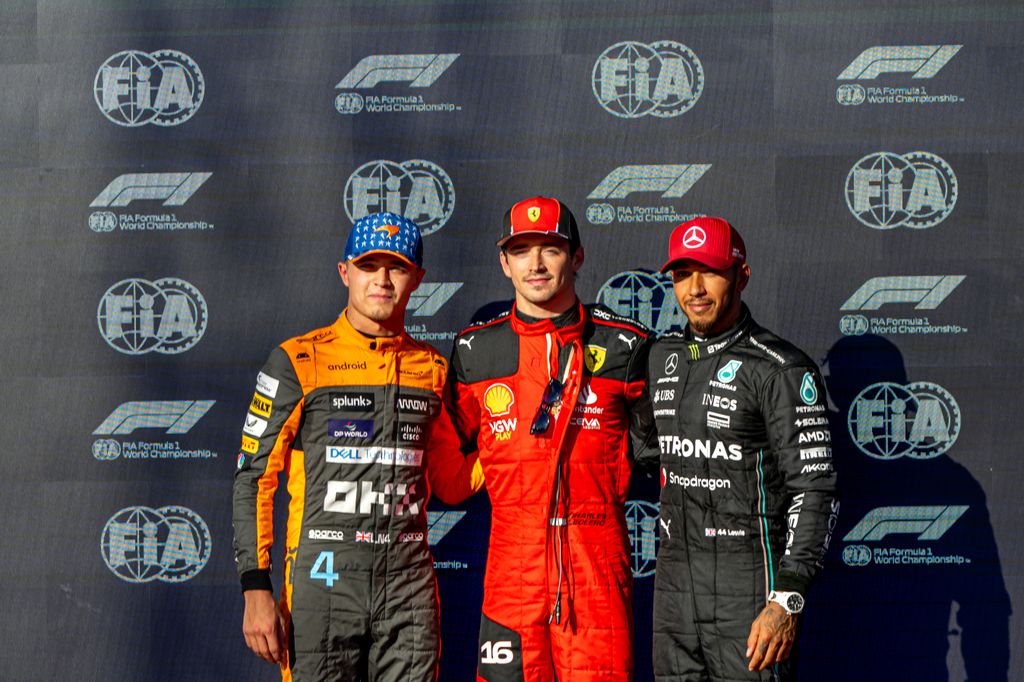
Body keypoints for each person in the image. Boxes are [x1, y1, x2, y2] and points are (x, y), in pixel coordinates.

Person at [232, 212, 483, 682]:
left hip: (409, 591)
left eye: (398, 268)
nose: (382, 281)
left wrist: (509, 448)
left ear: (418, 279)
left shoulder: (431, 368)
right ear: (345, 272)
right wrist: (255, 587)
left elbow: (450, 481)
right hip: (322, 584)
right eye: (369, 266)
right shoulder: (297, 360)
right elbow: (253, 478)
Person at [445, 196, 657, 682]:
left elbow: (661, 454)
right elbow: (444, 458)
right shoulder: (475, 350)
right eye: (521, 250)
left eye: (551, 249)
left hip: (595, 563)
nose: (536, 264)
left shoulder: (623, 345)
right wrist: (492, 465)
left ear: (577, 257)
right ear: (504, 262)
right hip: (511, 569)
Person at [642, 216, 840, 681]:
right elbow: (646, 454)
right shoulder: (657, 357)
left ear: (741, 275)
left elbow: (815, 490)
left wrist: (787, 599)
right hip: (673, 595)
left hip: (749, 590)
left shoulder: (781, 369)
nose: (695, 288)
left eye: (710, 271)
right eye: (682, 274)